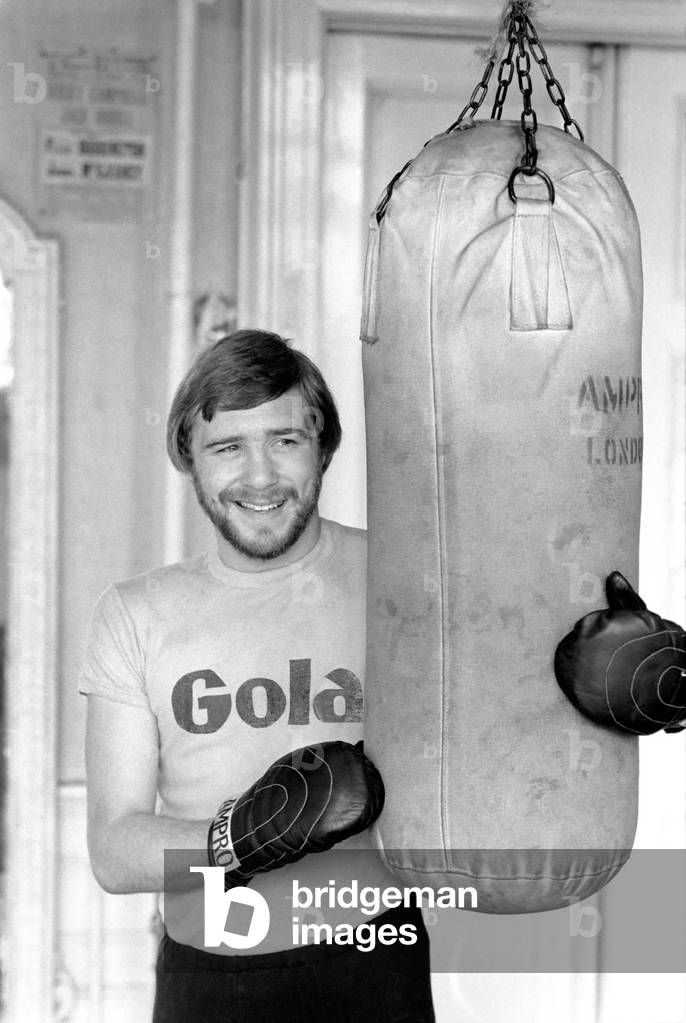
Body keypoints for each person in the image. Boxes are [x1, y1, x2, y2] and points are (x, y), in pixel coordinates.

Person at [80, 329, 437, 1023]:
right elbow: (113, 848)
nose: (261, 475)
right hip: (209, 975)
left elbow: (495, 736)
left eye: (285, 440)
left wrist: (593, 697)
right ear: (190, 460)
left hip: (375, 961)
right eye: (227, 446)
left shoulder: (404, 581)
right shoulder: (134, 614)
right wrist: (240, 836)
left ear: (324, 446)